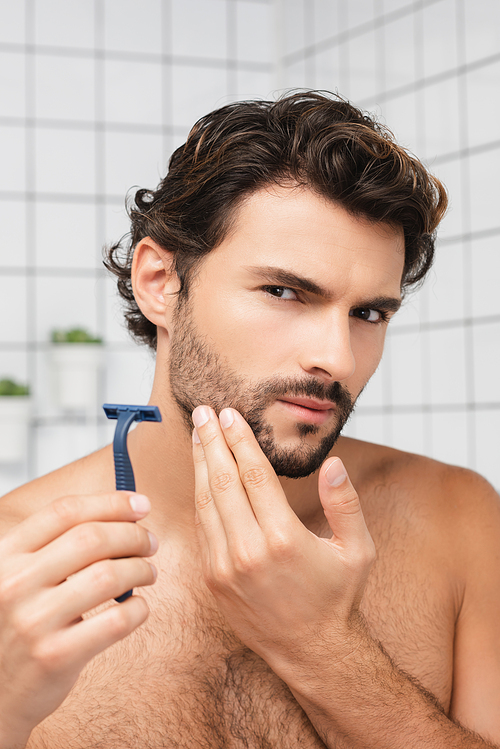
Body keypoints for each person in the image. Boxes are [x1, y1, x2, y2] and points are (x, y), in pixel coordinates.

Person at [0, 91, 499, 749]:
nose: (336, 356)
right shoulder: (16, 568)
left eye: (369, 313)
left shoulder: (457, 519)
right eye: (285, 291)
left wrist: (323, 648)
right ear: (160, 280)